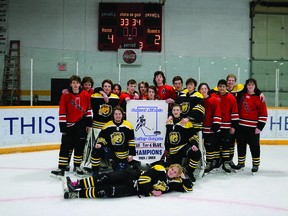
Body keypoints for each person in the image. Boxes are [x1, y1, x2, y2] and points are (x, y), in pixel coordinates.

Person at [63, 163, 193, 199]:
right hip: (132, 176)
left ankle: (76, 193)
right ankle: (76, 184)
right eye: (171, 169)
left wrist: (184, 178)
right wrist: (151, 192)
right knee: (106, 178)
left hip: (133, 189)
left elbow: (188, 188)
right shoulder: (160, 169)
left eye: (175, 172)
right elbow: (143, 179)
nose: (171, 172)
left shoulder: (174, 184)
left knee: (107, 191)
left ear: (177, 175)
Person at [51, 75, 92, 178]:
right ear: (70, 84)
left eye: (77, 83)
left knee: (80, 145)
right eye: (73, 83)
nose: (75, 84)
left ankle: (77, 166)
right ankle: (62, 167)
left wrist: (88, 124)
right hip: (69, 125)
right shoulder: (65, 95)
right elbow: (62, 110)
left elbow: (88, 110)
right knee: (65, 146)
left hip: (81, 123)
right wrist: (62, 126)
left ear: (79, 84)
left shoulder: (85, 94)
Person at [79, 79, 120, 175]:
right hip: (96, 127)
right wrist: (103, 93)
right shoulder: (94, 96)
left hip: (108, 128)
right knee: (92, 147)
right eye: (105, 86)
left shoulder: (115, 98)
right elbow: (91, 90)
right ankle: (90, 165)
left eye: (109, 86)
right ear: (102, 87)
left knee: (106, 147)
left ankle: (105, 164)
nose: (107, 88)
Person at [233, 78, 268, 173]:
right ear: (246, 86)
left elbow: (263, 113)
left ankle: (255, 164)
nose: (250, 86)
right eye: (248, 84)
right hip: (241, 126)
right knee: (241, 145)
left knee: (254, 146)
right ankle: (241, 163)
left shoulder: (259, 97)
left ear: (255, 86)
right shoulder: (241, 94)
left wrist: (260, 127)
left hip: (253, 127)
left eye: (252, 84)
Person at [91, 107, 136, 176]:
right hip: (110, 151)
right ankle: (95, 173)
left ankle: (115, 164)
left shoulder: (128, 126)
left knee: (119, 174)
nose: (118, 116)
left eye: (119, 114)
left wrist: (131, 154)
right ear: (113, 115)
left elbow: (131, 141)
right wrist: (100, 144)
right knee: (96, 150)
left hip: (122, 154)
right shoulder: (107, 125)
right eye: (116, 114)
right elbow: (102, 138)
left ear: (122, 115)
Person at [163, 104, 201, 182]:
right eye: (174, 110)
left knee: (196, 153)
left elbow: (193, 136)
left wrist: (194, 144)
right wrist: (166, 149)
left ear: (181, 111)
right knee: (173, 173)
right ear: (172, 112)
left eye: (177, 110)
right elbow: (167, 138)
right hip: (173, 150)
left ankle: (190, 172)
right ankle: (182, 172)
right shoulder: (168, 122)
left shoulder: (186, 122)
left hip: (183, 147)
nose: (176, 112)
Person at [210, 79, 239, 173]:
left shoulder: (231, 98)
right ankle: (218, 161)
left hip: (226, 126)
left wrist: (233, 126)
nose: (222, 88)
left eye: (223, 86)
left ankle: (226, 162)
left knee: (226, 144)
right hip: (216, 125)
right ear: (217, 87)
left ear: (226, 87)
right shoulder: (213, 96)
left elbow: (234, 113)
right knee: (217, 143)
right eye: (220, 86)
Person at [198, 83, 222, 173]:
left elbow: (217, 111)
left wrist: (216, 124)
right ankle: (209, 161)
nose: (204, 90)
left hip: (212, 127)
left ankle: (211, 161)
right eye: (202, 89)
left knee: (212, 145)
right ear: (199, 90)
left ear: (208, 89)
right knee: (207, 145)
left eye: (205, 88)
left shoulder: (214, 100)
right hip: (202, 127)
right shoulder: (199, 100)